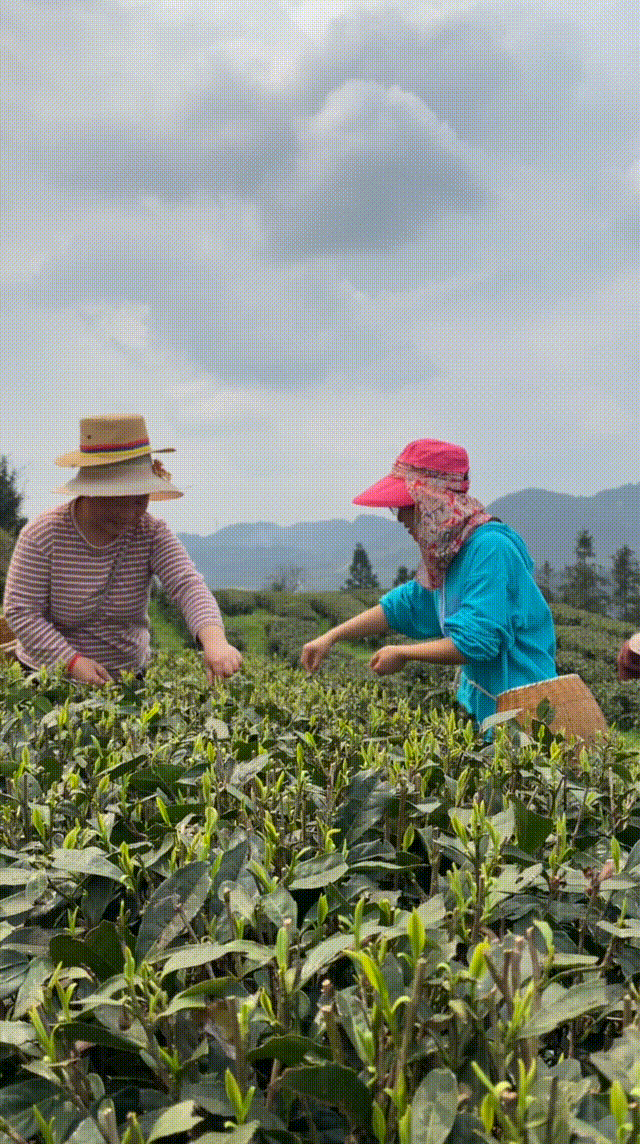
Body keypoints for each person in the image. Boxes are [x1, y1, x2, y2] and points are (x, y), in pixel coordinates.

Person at [300, 439, 557, 726]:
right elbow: (403, 606)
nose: (401, 518)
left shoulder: (490, 549)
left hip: (527, 720)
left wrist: (403, 653)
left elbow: (478, 642)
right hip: (488, 712)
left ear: (432, 502)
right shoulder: (452, 555)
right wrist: (331, 637)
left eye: (407, 507)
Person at [3, 415, 242, 686]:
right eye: (116, 500)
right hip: (47, 679)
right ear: (90, 489)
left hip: (128, 680)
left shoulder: (150, 532)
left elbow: (187, 585)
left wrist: (214, 641)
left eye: (139, 500)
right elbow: (21, 611)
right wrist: (71, 662)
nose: (129, 514)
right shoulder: (43, 535)